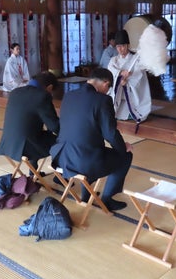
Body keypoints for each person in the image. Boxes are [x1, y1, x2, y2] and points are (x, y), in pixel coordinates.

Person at [50, 67, 133, 211]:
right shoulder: (102, 100)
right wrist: (123, 147)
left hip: (61, 157)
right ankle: (107, 199)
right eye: (108, 89)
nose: (107, 92)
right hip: (83, 162)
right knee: (125, 156)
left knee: (88, 148)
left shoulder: (69, 95)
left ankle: (86, 194)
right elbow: (110, 133)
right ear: (106, 83)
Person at [0, 71, 60, 169]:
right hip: (27, 147)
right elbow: (54, 126)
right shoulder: (42, 96)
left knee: (35, 134)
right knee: (62, 142)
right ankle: (59, 174)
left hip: (8, 144)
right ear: (50, 87)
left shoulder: (15, 92)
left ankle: (33, 171)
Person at [107, 30, 151, 123]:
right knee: (112, 112)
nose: (120, 49)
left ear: (127, 45)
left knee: (133, 113)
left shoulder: (136, 59)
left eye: (122, 46)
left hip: (132, 97)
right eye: (118, 46)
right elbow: (111, 72)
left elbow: (140, 76)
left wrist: (129, 78)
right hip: (118, 97)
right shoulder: (113, 60)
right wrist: (120, 75)